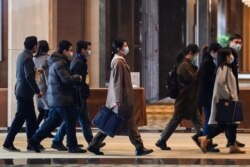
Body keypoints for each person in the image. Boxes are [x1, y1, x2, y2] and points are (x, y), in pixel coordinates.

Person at [87, 39, 153, 156]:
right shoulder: (118, 62)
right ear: (119, 49)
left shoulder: (119, 61)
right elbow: (117, 82)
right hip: (122, 100)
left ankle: (94, 144)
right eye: (125, 45)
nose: (127, 47)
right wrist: (118, 100)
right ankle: (139, 147)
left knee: (122, 123)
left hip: (122, 99)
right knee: (120, 123)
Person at [28, 40, 86, 153]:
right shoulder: (60, 63)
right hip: (62, 98)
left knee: (52, 122)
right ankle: (73, 147)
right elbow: (65, 79)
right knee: (70, 121)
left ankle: (34, 140)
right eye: (70, 50)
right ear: (64, 51)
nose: (71, 52)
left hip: (57, 97)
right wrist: (77, 77)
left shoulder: (56, 61)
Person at [52, 40, 105, 150]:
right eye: (88, 49)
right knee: (71, 119)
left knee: (84, 120)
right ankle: (57, 140)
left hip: (81, 94)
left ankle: (92, 143)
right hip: (78, 95)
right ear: (83, 50)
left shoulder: (81, 60)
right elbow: (73, 80)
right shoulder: (77, 62)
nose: (90, 51)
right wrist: (81, 91)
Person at [155, 44, 203, 151]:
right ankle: (161, 140)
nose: (195, 57)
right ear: (190, 53)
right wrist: (198, 72)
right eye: (195, 54)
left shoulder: (185, 64)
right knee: (176, 120)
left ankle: (204, 141)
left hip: (190, 99)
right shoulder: (184, 65)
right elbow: (192, 79)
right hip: (185, 99)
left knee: (197, 121)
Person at [198, 48, 245, 154]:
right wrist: (229, 95)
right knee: (225, 124)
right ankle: (205, 138)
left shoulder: (225, 67)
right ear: (226, 56)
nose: (231, 57)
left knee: (232, 123)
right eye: (230, 55)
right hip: (227, 100)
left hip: (229, 99)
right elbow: (220, 83)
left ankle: (232, 146)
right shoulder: (224, 67)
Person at [3, 36, 42, 152]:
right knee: (20, 119)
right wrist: (37, 91)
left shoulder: (22, 55)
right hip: (25, 92)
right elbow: (29, 77)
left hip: (22, 91)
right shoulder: (27, 58)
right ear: (34, 46)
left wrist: (35, 71)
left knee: (31, 119)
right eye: (37, 45)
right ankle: (7, 143)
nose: (37, 48)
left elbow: (26, 73)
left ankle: (31, 143)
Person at [197, 42, 222, 152]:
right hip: (207, 96)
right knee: (209, 120)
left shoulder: (208, 61)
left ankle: (205, 141)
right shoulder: (207, 63)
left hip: (206, 96)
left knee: (209, 119)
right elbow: (208, 80)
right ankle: (205, 142)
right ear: (213, 52)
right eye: (218, 53)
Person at [226, 34, 245, 148]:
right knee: (231, 118)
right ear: (230, 42)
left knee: (232, 118)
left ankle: (232, 140)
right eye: (236, 42)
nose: (238, 44)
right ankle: (206, 138)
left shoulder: (234, 54)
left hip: (233, 88)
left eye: (240, 43)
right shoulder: (228, 54)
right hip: (229, 90)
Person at [33, 40, 54, 138]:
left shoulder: (35, 58)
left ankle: (37, 127)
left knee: (42, 109)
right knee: (47, 108)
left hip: (37, 84)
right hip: (45, 86)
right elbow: (49, 74)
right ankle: (45, 129)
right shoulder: (48, 58)